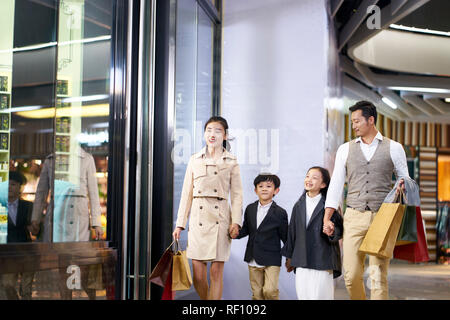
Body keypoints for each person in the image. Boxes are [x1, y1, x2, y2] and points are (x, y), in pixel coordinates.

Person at [323, 101, 409, 300]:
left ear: (371, 120)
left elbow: (405, 179)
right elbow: (336, 184)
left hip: (383, 217)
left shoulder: (394, 148)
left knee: (378, 276)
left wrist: (404, 184)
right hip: (354, 215)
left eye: (357, 121)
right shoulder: (345, 149)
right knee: (351, 275)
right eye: (352, 121)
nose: (353, 125)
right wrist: (328, 216)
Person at [172, 116, 243, 300]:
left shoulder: (231, 161)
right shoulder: (194, 159)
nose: (212, 134)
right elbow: (186, 194)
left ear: (225, 135)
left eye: (218, 131)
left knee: (216, 274)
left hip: (221, 219)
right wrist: (180, 223)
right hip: (198, 219)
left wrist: (236, 221)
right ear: (204, 133)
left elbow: (236, 195)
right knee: (199, 276)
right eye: (209, 130)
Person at [282, 166, 342, 300]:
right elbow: (292, 232)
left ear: (323, 184)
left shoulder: (330, 205)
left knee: (321, 296)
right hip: (302, 258)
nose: (309, 180)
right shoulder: (298, 205)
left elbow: (340, 230)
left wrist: (332, 231)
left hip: (323, 258)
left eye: (314, 178)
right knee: (304, 296)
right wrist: (289, 257)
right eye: (308, 176)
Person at [236, 173, 288, 300]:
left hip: (272, 258)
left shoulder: (280, 212)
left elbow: (286, 236)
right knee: (257, 294)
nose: (264, 188)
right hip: (253, 256)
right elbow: (246, 229)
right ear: (255, 190)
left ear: (276, 190)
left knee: (270, 291)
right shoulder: (250, 208)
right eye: (261, 186)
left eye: (268, 186)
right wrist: (235, 233)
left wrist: (289, 257)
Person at [1, 171, 35, 299]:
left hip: (27, 251)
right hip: (8, 252)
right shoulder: (1, 205)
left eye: (13, 184)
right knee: (7, 285)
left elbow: (37, 229)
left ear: (20, 187)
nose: (9, 187)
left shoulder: (28, 206)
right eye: (7, 184)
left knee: (26, 290)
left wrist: (35, 227)